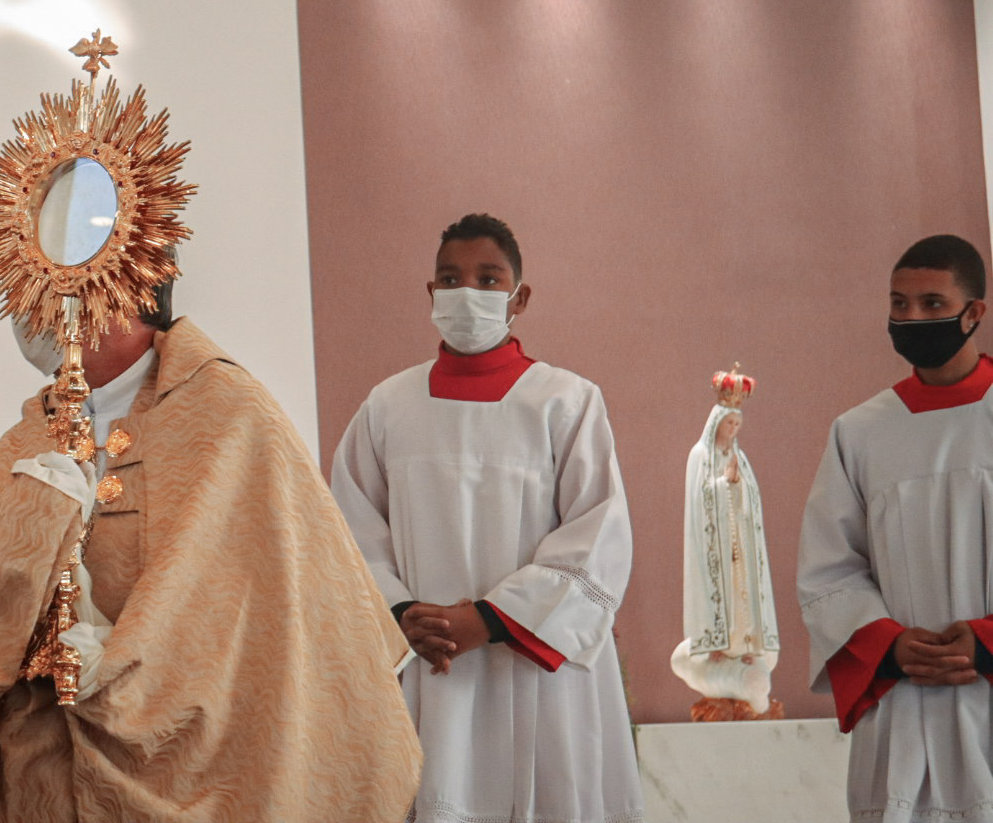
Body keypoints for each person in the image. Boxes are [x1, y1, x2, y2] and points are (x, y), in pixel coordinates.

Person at [0, 282, 422, 823]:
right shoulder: (37, 428)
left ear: (116, 296)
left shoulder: (229, 414)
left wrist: (110, 668)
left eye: (46, 287)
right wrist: (25, 554)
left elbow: (249, 615)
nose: (24, 311)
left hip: (201, 764)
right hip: (42, 762)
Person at [330, 213, 644, 823]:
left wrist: (490, 619)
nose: (466, 293)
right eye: (450, 280)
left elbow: (598, 535)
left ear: (518, 298)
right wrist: (401, 613)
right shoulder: (388, 406)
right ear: (431, 293)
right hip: (425, 659)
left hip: (536, 668)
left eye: (488, 279)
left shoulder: (566, 401)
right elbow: (346, 529)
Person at [798, 233, 993, 822]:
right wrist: (887, 642)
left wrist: (986, 640)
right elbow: (829, 568)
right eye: (899, 304)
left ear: (974, 313)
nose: (912, 318)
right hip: (906, 703)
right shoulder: (860, 432)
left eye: (933, 304)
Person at [670, 368, 782, 719]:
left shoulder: (739, 457)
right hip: (714, 547)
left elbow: (751, 498)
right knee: (720, 595)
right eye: (728, 423)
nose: (733, 430)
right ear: (716, 422)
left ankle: (744, 646)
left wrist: (738, 485)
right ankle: (717, 647)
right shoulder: (699, 455)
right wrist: (724, 485)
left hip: (739, 546)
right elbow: (701, 500)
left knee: (742, 595)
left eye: (737, 424)